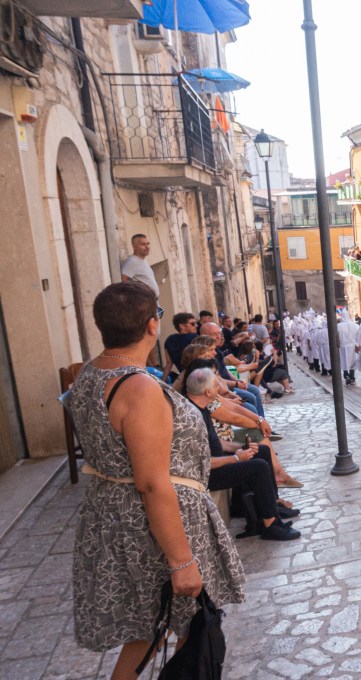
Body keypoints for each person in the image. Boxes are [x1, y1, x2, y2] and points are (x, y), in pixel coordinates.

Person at [68, 282, 244, 677]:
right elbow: (151, 481)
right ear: (152, 325)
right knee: (179, 624)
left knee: (152, 629)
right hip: (151, 526)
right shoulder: (138, 388)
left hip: (116, 514)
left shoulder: (91, 373)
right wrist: (182, 560)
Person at [184, 368, 300, 541]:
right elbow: (201, 462)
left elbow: (216, 443)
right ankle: (270, 524)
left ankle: (271, 507)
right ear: (208, 391)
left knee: (262, 451)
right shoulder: (192, 417)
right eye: (217, 385)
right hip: (207, 473)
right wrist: (236, 458)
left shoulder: (200, 406)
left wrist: (238, 448)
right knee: (258, 467)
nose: (220, 389)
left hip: (217, 462)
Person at [119, 234, 159, 299]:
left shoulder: (143, 259)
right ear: (134, 247)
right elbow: (124, 282)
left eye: (148, 243)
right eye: (143, 244)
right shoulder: (132, 262)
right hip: (145, 303)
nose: (147, 247)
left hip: (153, 301)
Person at [163, 312, 197, 380]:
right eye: (192, 324)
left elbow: (169, 363)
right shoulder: (195, 338)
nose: (196, 325)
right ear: (182, 326)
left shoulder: (169, 340)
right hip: (198, 376)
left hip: (184, 378)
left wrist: (163, 381)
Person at [338, 308, 360, 385]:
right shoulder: (355, 325)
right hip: (353, 346)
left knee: (345, 361)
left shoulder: (338, 326)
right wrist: (358, 345)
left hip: (343, 346)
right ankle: (352, 376)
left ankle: (346, 375)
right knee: (352, 362)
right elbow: (358, 335)